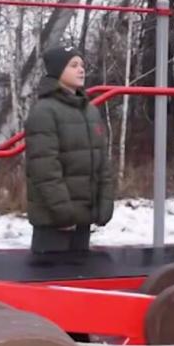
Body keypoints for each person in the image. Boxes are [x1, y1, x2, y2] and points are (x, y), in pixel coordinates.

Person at [23, 45, 114, 254]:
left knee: (80, 277)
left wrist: (104, 203)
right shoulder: (44, 112)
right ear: (57, 71)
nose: (81, 70)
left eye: (82, 65)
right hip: (54, 222)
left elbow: (102, 163)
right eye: (73, 65)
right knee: (50, 281)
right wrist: (63, 214)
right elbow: (45, 169)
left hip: (83, 217)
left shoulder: (90, 111)